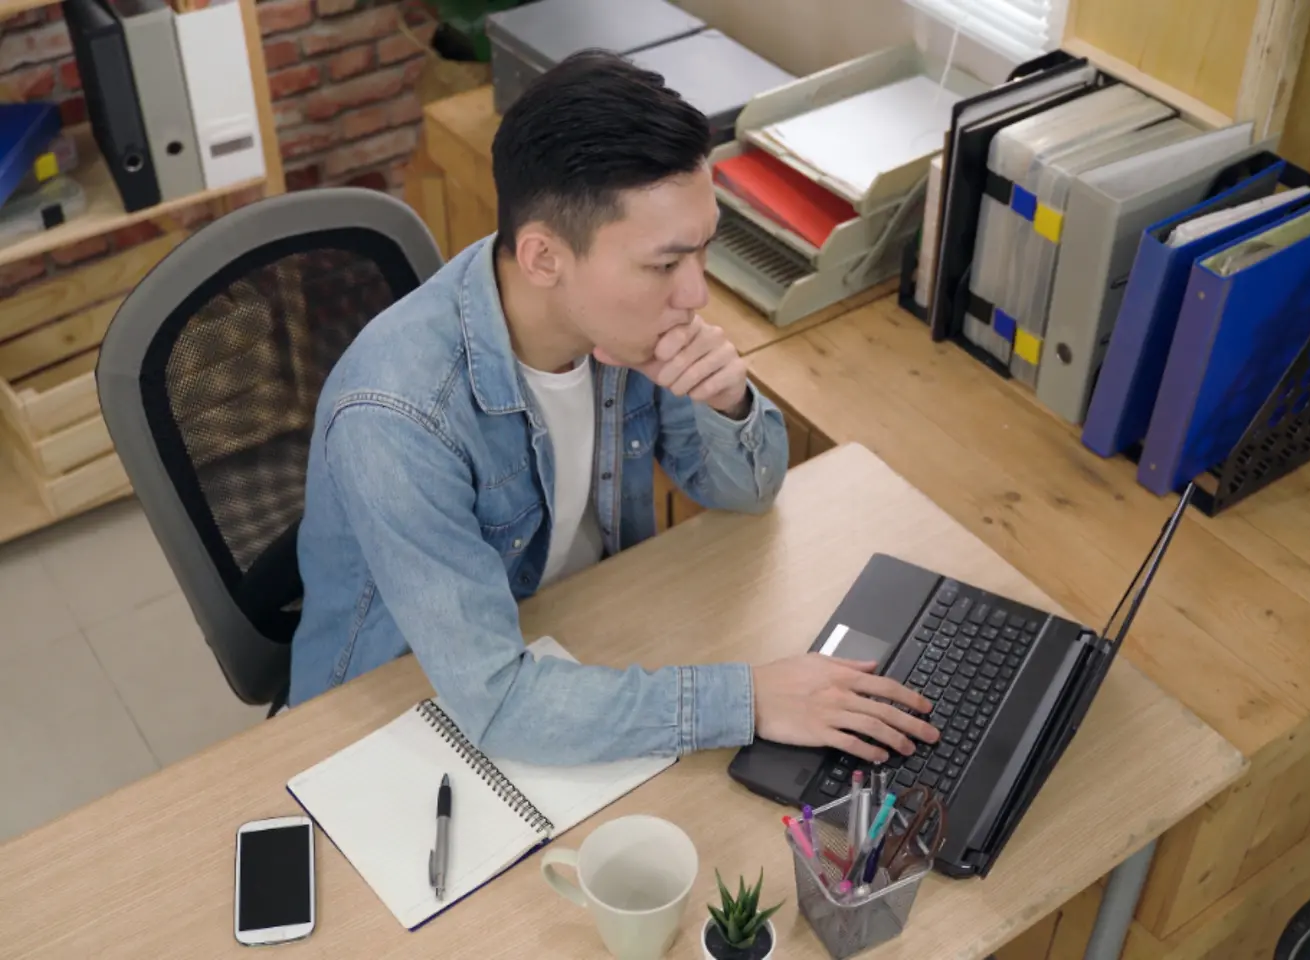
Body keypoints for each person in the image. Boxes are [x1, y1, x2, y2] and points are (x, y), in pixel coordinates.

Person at [288, 49, 939, 767]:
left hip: (580, 630)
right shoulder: (396, 417)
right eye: (665, 264)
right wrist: (748, 700)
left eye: (703, 250)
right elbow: (499, 702)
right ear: (543, 259)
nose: (697, 294)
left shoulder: (623, 321)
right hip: (396, 712)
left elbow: (746, 495)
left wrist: (728, 401)